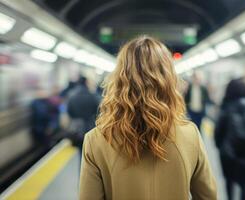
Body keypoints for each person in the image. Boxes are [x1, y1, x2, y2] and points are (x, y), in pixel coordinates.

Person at [79, 36, 217, 200]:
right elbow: (207, 196)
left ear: (119, 81)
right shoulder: (190, 135)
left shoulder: (95, 140)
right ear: (168, 80)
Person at [214, 78, 245, 200]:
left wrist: (221, 147)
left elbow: (218, 133)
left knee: (229, 183)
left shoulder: (225, 107)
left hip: (228, 155)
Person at [67, 76, 99, 150]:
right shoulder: (92, 96)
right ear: (86, 83)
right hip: (90, 126)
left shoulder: (71, 96)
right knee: (89, 149)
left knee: (79, 148)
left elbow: (69, 112)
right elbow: (97, 111)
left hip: (76, 128)